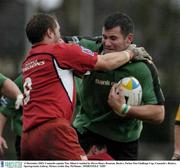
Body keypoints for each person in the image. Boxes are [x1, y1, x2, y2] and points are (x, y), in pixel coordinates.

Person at [20, 13, 142, 160]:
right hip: (54, 130)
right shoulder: (59, 51)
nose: (60, 36)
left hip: (26, 138)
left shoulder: (28, 61)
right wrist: (131, 52)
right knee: (105, 160)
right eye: (58, 30)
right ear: (49, 32)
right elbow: (104, 63)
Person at [73, 12, 165, 160]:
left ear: (129, 39)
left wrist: (124, 108)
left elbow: (158, 113)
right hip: (86, 129)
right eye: (104, 37)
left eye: (113, 38)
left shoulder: (142, 67)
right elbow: (58, 43)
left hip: (123, 140)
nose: (107, 43)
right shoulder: (91, 48)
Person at [0, 75, 23, 159]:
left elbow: (4, 82)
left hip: (56, 135)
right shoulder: (22, 80)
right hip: (24, 137)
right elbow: (3, 110)